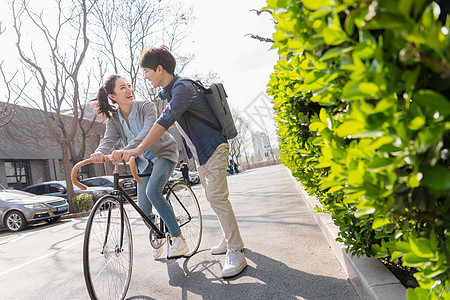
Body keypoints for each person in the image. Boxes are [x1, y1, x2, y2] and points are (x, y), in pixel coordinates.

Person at [116, 46, 247, 278]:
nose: (145, 76)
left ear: (159, 68)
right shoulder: (170, 90)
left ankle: (236, 251)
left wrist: (138, 148)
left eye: (147, 71)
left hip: (213, 146)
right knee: (213, 198)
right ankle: (230, 239)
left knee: (217, 197)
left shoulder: (182, 88)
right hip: (201, 153)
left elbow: (164, 120)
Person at [89, 74, 188, 259]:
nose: (129, 90)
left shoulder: (146, 107)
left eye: (129, 86)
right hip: (143, 163)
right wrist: (99, 153)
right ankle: (158, 233)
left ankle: (179, 239)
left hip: (163, 154)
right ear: (112, 96)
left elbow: (148, 130)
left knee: (153, 192)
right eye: (123, 88)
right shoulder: (114, 119)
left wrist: (126, 149)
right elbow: (108, 140)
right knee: (143, 208)